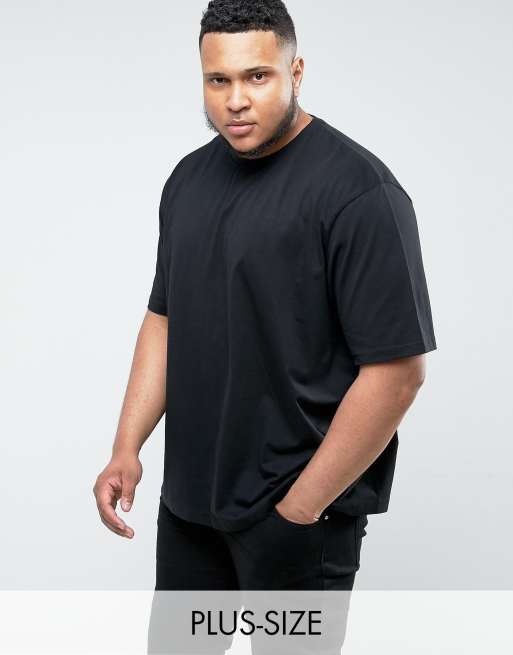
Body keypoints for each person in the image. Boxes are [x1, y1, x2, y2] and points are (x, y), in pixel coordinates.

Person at [93, 0, 436, 599]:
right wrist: (127, 447)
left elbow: (397, 374)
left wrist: (301, 509)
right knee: (177, 644)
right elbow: (164, 320)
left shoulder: (359, 193)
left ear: (295, 72)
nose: (235, 101)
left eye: (257, 76)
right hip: (190, 509)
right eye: (217, 80)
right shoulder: (187, 181)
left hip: (298, 516)